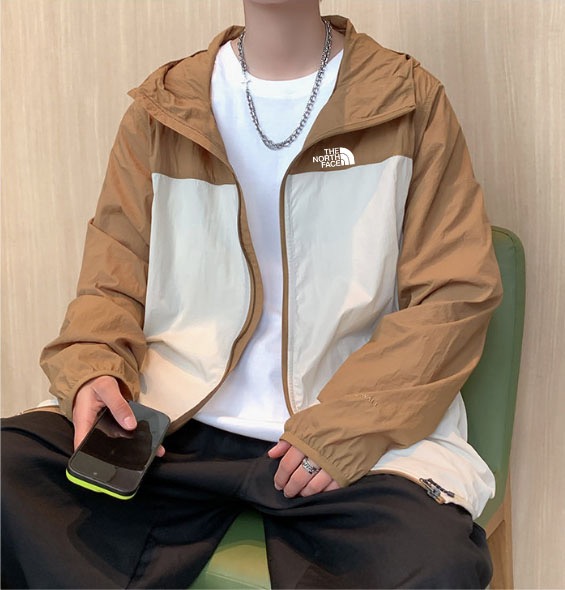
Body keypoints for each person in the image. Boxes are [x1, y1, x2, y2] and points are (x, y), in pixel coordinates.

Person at [1, 0, 502, 587]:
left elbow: (453, 295)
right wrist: (93, 368)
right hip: (172, 426)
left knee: (434, 562)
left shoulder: (408, 100)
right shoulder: (165, 107)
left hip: (346, 437)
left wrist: (347, 426)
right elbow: (112, 280)